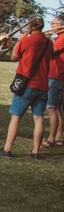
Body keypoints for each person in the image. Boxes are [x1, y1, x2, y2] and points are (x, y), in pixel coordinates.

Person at [0, 15, 52, 159]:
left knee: (16, 117)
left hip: (26, 84)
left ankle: (7, 149)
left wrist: (20, 40)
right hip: (43, 85)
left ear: (31, 26)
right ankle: (35, 152)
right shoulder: (49, 43)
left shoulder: (25, 40)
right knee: (38, 118)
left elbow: (13, 57)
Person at [43, 16, 64, 148]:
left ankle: (51, 138)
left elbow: (51, 52)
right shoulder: (58, 38)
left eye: (53, 23)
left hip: (57, 77)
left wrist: (46, 39)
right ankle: (59, 136)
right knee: (59, 109)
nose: (51, 26)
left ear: (60, 24)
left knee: (51, 108)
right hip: (58, 76)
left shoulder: (62, 38)